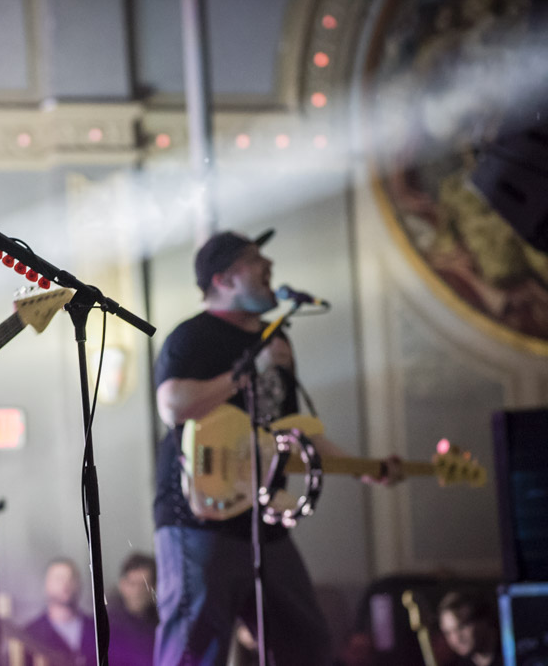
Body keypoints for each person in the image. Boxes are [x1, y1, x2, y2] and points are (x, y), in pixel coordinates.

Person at [152, 229, 402, 666]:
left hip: (263, 517)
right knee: (195, 651)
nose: (269, 266)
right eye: (254, 260)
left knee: (306, 645)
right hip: (198, 519)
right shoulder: (192, 337)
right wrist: (246, 374)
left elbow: (291, 432)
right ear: (223, 279)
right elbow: (173, 404)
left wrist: (365, 467)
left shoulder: (275, 343)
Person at [23, 557, 97, 666]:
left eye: (71, 578)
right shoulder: (31, 635)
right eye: (59, 578)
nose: (65, 584)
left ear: (79, 584)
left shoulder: (97, 629)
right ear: (46, 585)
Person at [107, 551, 158, 666]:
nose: (138, 591)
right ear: (122, 585)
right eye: (133, 584)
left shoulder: (161, 624)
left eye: (144, 585)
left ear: (154, 587)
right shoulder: (107, 625)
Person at [437, 591, 503, 666]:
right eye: (448, 633)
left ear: (483, 620)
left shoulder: (514, 653)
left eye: (461, 627)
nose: (456, 639)